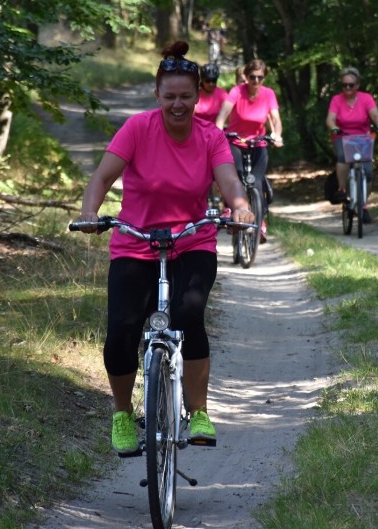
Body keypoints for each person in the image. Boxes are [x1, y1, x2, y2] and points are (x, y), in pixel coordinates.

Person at [73, 41, 255, 456]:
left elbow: (228, 180)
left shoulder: (210, 137)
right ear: (157, 95)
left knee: (189, 314)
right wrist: (89, 214)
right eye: (169, 96)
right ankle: (122, 414)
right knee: (122, 330)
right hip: (136, 242)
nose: (177, 104)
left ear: (197, 96)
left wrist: (239, 207)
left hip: (192, 241)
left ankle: (199, 412)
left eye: (185, 97)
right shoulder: (138, 129)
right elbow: (101, 178)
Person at [215, 59, 284, 243]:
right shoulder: (237, 91)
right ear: (246, 76)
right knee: (235, 175)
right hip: (235, 141)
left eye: (260, 77)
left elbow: (275, 119)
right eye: (252, 77)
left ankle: (259, 223)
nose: (256, 81)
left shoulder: (268, 94)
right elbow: (222, 116)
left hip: (258, 143)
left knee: (257, 183)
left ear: (264, 78)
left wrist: (276, 135)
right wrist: (217, 135)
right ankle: (231, 208)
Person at [325, 67, 378, 223]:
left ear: (357, 85)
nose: (347, 88)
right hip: (342, 135)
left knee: (367, 172)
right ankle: (342, 188)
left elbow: (375, 114)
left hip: (362, 137)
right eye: (344, 85)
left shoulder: (366, 98)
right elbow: (330, 118)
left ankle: (363, 204)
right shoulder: (336, 100)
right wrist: (333, 127)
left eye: (351, 85)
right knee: (342, 156)